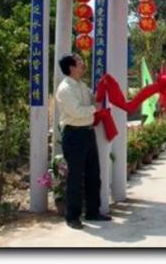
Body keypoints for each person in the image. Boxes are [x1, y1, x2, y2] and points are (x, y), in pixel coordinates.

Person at [56, 53, 112, 229]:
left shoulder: (81, 85)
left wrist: (99, 94)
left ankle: (93, 212)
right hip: (74, 135)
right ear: (71, 67)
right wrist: (94, 108)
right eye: (79, 62)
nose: (83, 64)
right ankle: (72, 217)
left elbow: (92, 97)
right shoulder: (65, 89)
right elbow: (77, 112)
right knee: (75, 177)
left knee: (93, 174)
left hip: (87, 132)